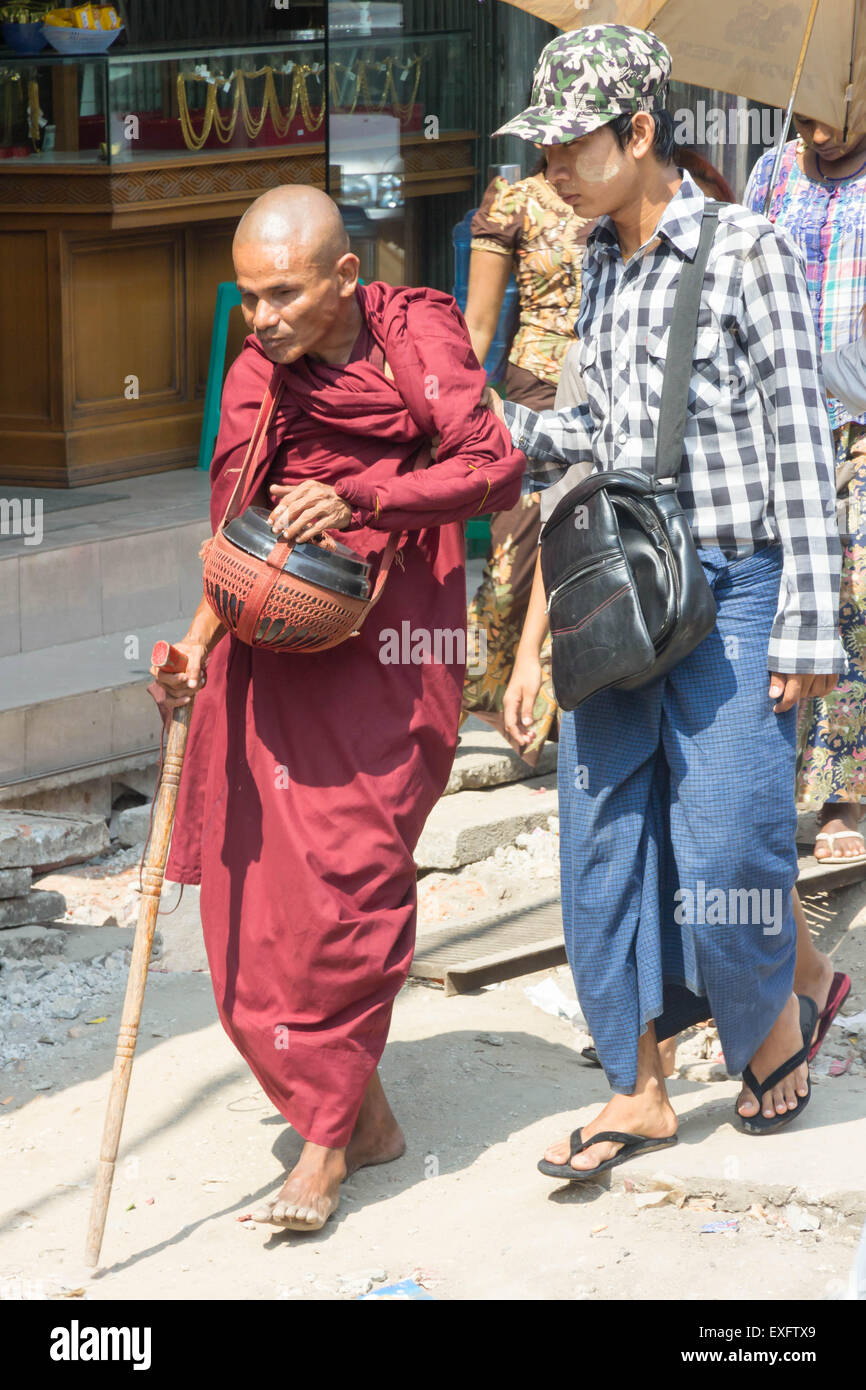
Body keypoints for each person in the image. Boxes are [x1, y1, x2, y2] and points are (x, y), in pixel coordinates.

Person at [491, 23, 842, 1174]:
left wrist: (807, 624)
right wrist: (491, 425)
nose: (548, 165)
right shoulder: (597, 264)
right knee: (599, 841)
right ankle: (634, 1085)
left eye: (567, 143)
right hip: (624, 591)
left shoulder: (746, 253)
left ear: (638, 133)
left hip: (736, 591)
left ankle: (770, 1023)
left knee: (730, 841)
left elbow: (800, 447)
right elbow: (591, 445)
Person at [151, 186, 523, 1231]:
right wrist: (193, 641)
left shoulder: (418, 335)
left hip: (397, 644)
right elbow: (234, 534)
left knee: (348, 888)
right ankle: (358, 1116)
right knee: (249, 919)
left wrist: (363, 497)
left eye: (283, 295)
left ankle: (320, 1149)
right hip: (281, 653)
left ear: (345, 278)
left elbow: (492, 466)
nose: (262, 318)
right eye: (249, 297)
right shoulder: (256, 380)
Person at [745, 117, 866, 866]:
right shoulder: (773, 173)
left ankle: (842, 794)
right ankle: (768, 784)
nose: (815, 125)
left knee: (850, 598)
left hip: (856, 421)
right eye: (806, 110)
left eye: (833, 107)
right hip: (772, 421)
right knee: (775, 593)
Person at [460, 161, 593, 762]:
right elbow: (480, 320)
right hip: (536, 388)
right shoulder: (513, 200)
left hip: (605, 386)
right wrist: (454, 407)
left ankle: (557, 706)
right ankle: (480, 694)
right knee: (515, 550)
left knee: (584, 543)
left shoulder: (620, 194)